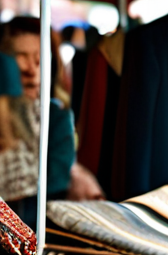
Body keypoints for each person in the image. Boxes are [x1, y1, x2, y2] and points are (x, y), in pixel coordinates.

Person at [0, 17, 103, 230]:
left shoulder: (55, 115)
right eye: (21, 56)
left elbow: (55, 182)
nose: (32, 67)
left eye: (40, 57)